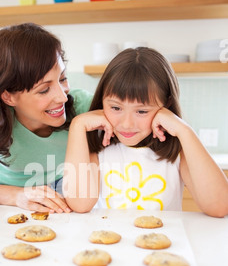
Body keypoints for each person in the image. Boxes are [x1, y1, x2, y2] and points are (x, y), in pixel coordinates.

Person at [0, 23, 92, 213]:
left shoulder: (82, 105)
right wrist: (16, 195)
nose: (62, 97)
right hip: (2, 192)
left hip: (62, 186)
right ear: (8, 96)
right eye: (44, 90)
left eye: (62, 79)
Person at [63, 47, 228, 217]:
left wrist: (184, 130)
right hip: (110, 241)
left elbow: (220, 206)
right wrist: (78, 125)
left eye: (141, 111)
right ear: (102, 101)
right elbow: (80, 204)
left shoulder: (177, 151)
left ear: (166, 105)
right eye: (115, 108)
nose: (127, 124)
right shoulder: (98, 146)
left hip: (163, 241)